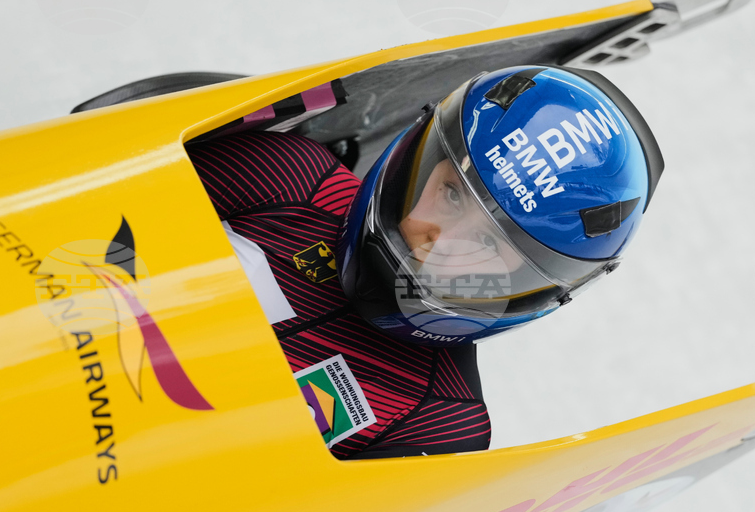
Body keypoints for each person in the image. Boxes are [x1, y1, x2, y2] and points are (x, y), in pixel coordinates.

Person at [186, 65, 663, 459]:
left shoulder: (437, 418)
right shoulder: (287, 175)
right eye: (452, 194)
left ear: (525, 284)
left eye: (489, 244)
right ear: (419, 157)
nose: (441, 242)